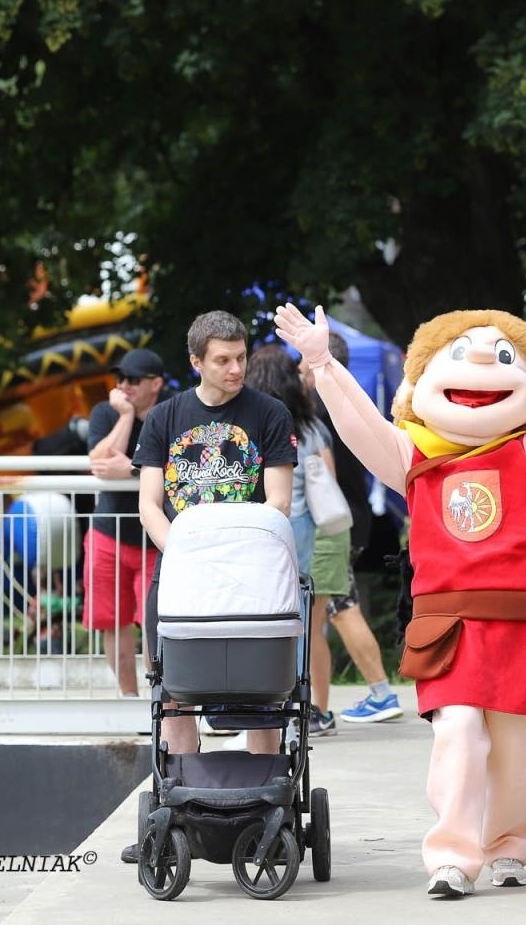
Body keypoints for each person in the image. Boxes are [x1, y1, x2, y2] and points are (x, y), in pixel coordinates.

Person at [275, 301, 526, 898]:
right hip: (452, 627)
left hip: (524, 626)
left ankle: (510, 843)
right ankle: (452, 857)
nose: (482, 372)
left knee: (525, 758)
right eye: (461, 359)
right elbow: (361, 426)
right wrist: (323, 364)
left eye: (502, 360)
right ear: (422, 380)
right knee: (460, 734)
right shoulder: (414, 455)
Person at [133, 312, 297, 758]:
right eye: (223, 359)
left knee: (263, 695)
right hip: (179, 577)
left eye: (241, 357)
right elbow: (150, 503)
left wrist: (230, 554)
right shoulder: (165, 418)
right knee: (173, 695)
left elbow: (278, 501)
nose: (237, 369)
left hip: (251, 577)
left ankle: (266, 793)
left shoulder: (271, 414)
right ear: (196, 362)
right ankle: (185, 788)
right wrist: (188, 556)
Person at [304, 332, 404, 727]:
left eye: (302, 364)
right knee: (339, 607)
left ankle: (377, 693)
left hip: (333, 522)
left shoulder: (316, 410)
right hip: (354, 515)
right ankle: (379, 692)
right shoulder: (351, 403)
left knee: (339, 610)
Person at [243, 344, 342, 735]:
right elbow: (328, 482)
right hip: (301, 529)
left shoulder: (251, 423)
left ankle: (257, 699)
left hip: (257, 527)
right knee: (300, 620)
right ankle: (306, 706)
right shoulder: (312, 428)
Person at [83, 347, 167, 698]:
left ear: (156, 383)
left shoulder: (170, 411)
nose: (124, 385)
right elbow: (99, 462)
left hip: (155, 539)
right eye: (120, 379)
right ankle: (128, 699)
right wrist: (126, 417)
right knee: (111, 622)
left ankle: (156, 702)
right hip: (109, 534)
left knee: (155, 625)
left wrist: (132, 468)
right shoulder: (107, 412)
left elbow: (177, 463)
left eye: (133, 379)